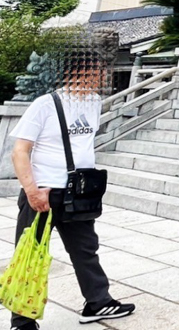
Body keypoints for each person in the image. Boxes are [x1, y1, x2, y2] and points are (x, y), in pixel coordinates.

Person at [9, 48, 135, 328]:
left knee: (85, 249)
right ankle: (22, 320)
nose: (104, 75)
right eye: (99, 70)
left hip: (77, 193)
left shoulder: (94, 102)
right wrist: (31, 190)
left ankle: (98, 302)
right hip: (43, 192)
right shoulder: (45, 104)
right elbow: (20, 151)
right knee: (30, 252)